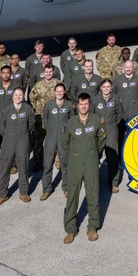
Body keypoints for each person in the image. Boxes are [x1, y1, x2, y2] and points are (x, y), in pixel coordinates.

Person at [61, 93, 106, 243]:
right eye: (81, 104)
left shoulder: (96, 120)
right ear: (77, 105)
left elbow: (101, 140)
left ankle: (92, 227)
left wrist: (94, 154)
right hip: (75, 161)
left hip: (92, 161)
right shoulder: (71, 123)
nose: (83, 106)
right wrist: (75, 154)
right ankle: (70, 229)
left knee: (93, 193)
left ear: (89, 104)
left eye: (86, 104)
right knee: (72, 195)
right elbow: (64, 143)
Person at [0, 88, 35, 205]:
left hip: (23, 140)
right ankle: (2, 194)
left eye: (20, 95)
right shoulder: (6, 111)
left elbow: (31, 123)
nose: (18, 97)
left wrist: (24, 133)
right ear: (12, 96)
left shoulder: (28, 109)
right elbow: (1, 127)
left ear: (23, 96)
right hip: (8, 142)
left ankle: (24, 192)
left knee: (23, 166)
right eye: (16, 95)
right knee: (4, 167)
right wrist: (9, 135)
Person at [42, 83, 74, 200]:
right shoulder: (49, 105)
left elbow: (72, 119)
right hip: (50, 138)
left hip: (63, 139)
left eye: (61, 91)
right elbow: (45, 119)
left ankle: (66, 188)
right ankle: (46, 189)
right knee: (47, 164)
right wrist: (51, 129)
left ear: (64, 92)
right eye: (57, 91)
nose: (59, 93)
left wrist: (67, 132)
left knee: (65, 164)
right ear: (54, 92)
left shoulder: (69, 105)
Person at [92, 79, 123, 192]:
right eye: (104, 86)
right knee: (95, 157)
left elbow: (120, 114)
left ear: (111, 87)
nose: (106, 89)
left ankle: (113, 183)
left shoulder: (115, 98)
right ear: (100, 87)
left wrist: (112, 124)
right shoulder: (95, 99)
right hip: (98, 132)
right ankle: (94, 183)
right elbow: (91, 115)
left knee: (112, 158)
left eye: (108, 86)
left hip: (111, 131)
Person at [29, 65, 62, 171]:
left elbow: (64, 96)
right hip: (41, 119)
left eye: (50, 71)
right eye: (46, 72)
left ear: (53, 72)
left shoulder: (58, 84)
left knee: (57, 140)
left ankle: (58, 161)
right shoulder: (38, 85)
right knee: (39, 141)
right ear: (43, 73)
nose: (48, 74)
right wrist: (38, 109)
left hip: (55, 118)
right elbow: (32, 98)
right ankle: (37, 161)